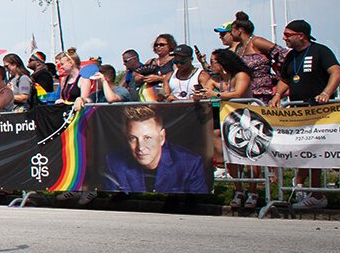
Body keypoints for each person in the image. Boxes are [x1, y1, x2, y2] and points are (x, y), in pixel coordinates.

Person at [270, 20, 340, 210]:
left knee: (315, 152)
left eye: (287, 35)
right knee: (303, 151)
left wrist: (326, 92)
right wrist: (277, 95)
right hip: (297, 112)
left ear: (300, 35)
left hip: (319, 112)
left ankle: (317, 194)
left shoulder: (321, 51)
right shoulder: (291, 56)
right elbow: (285, 79)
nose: (284, 38)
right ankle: (301, 185)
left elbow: (336, 73)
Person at [102, 105, 209, 193]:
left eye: (147, 138)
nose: (141, 147)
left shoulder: (190, 163)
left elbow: (199, 206)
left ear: (162, 137)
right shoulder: (113, 162)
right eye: (133, 138)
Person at [200, 48, 258, 209]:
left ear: (223, 63)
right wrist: (202, 93)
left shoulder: (241, 75)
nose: (211, 65)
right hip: (229, 119)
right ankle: (238, 190)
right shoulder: (219, 79)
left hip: (246, 118)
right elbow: (206, 88)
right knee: (232, 158)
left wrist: (215, 94)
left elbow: (239, 93)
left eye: (213, 62)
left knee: (250, 157)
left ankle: (253, 191)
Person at [226, 12, 289, 103]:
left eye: (231, 31)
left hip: (261, 96)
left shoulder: (257, 42)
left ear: (239, 30)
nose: (230, 34)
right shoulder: (239, 47)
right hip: (244, 96)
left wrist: (280, 75)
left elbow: (284, 54)